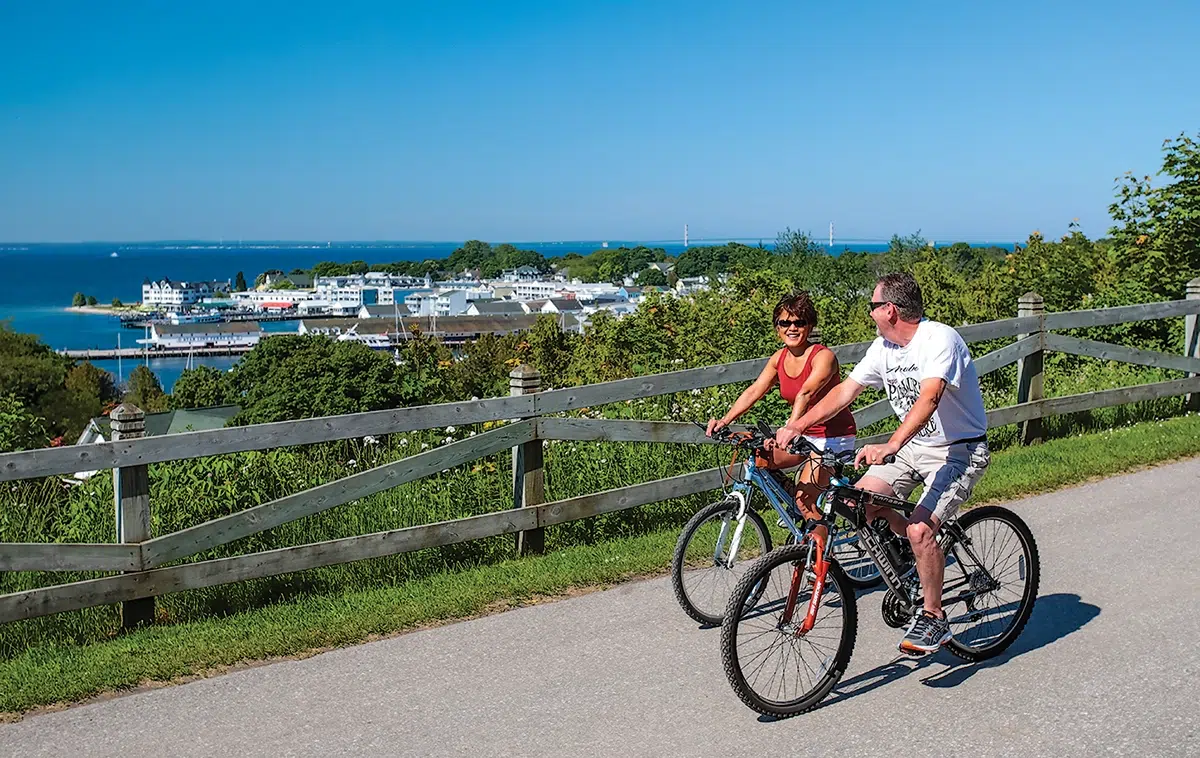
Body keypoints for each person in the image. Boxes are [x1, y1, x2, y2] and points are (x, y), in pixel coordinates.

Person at [776, 272, 990, 655]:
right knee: (860, 500)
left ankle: (934, 615)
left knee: (921, 530)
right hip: (912, 448)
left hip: (958, 449)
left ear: (889, 309)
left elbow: (929, 399)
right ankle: (914, 558)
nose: (870, 313)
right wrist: (799, 424)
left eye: (873, 306)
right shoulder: (884, 347)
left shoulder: (938, 339)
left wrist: (889, 444)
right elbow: (845, 391)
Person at [706, 291, 857, 520]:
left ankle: (816, 551)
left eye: (799, 322)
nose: (792, 328)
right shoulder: (779, 358)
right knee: (759, 458)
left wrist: (791, 429)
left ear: (810, 326)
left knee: (804, 501)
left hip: (833, 438)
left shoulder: (823, 357)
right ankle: (797, 505)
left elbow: (805, 393)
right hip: (802, 437)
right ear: (777, 327)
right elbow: (755, 390)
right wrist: (725, 421)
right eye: (785, 322)